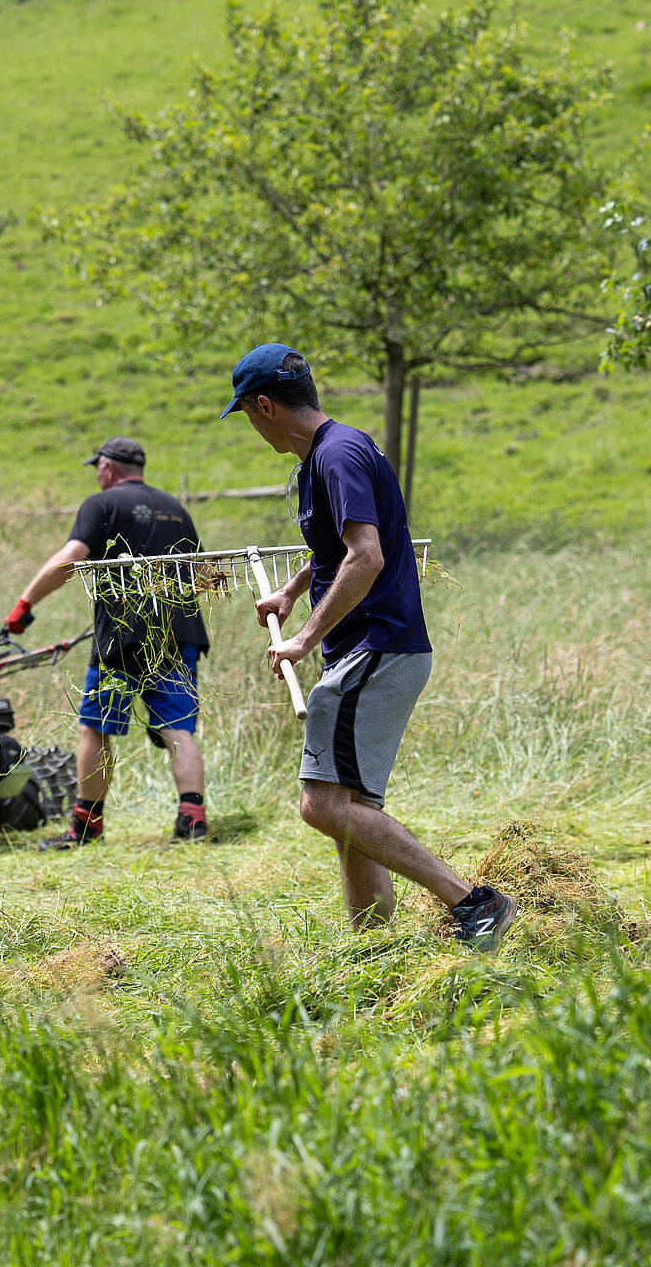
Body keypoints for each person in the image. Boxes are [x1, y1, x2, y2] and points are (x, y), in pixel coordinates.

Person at [221, 343, 517, 949]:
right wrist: (290, 592)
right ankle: (373, 947)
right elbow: (337, 552)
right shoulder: (325, 459)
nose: (252, 427)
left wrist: (304, 637)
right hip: (377, 649)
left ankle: (473, 902)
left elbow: (368, 556)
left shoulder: (338, 455)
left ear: (265, 404)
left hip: (377, 648)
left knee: (319, 805)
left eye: (248, 414)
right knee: (350, 810)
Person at [4, 435, 210, 849]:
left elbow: (71, 557)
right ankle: (192, 822)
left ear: (107, 467)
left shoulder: (101, 504)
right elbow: (202, 572)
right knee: (178, 729)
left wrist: (25, 603)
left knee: (96, 729)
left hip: (122, 637)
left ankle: (85, 829)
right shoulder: (174, 507)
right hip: (179, 633)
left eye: (96, 466)